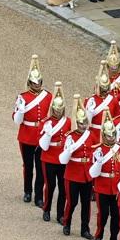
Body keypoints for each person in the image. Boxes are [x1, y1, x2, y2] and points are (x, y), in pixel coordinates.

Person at [14, 55, 50, 204]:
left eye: (39, 82)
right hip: (26, 136)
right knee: (28, 166)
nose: (37, 85)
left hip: (41, 135)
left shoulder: (48, 96)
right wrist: (21, 110)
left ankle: (39, 196)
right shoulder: (22, 97)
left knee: (41, 168)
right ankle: (27, 191)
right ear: (29, 83)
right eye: (34, 83)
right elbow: (17, 120)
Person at [60, 94, 96, 238]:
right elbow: (65, 157)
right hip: (73, 173)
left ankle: (84, 228)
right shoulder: (70, 136)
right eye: (80, 123)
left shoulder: (91, 135)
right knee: (72, 201)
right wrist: (69, 149)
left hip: (86, 173)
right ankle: (67, 223)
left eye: (84, 123)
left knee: (86, 203)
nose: (83, 126)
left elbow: (94, 151)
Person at [37, 83, 71, 223]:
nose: (58, 112)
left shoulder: (67, 121)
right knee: (50, 186)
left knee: (63, 189)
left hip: (62, 158)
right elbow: (42, 145)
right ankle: (46, 209)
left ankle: (60, 214)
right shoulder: (46, 122)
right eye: (56, 110)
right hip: (49, 157)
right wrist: (48, 134)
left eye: (60, 109)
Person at [89, 119, 120, 240]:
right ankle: (99, 235)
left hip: (116, 187)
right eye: (109, 135)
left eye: (113, 135)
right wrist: (98, 162)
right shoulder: (98, 150)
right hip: (102, 186)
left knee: (116, 216)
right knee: (103, 215)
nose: (111, 138)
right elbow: (94, 173)